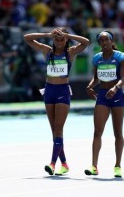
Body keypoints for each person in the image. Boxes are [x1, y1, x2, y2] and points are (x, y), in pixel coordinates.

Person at [24, 27, 90, 175]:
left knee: (59, 129)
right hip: (49, 92)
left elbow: (86, 42)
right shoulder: (47, 51)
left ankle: (53, 163)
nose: (59, 42)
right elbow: (27, 38)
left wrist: (67, 34)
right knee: (54, 131)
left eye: (62, 39)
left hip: (62, 92)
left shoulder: (70, 52)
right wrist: (47, 34)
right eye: (57, 39)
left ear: (66, 39)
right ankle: (64, 163)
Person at [84, 30, 124, 178]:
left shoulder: (120, 56)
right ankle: (94, 166)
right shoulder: (97, 58)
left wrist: (115, 88)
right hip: (102, 96)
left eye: (106, 40)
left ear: (111, 41)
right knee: (97, 131)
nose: (104, 42)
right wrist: (90, 86)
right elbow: (95, 78)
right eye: (101, 41)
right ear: (99, 44)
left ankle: (117, 166)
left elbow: (123, 78)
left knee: (118, 133)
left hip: (117, 95)